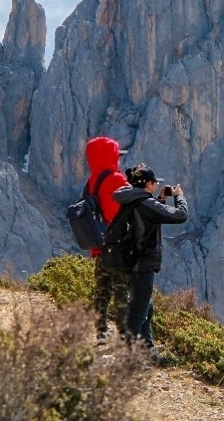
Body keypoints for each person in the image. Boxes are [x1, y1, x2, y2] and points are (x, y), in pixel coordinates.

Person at [113, 163, 188, 349]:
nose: (157, 184)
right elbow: (180, 216)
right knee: (138, 313)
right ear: (148, 184)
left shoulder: (131, 199)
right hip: (141, 265)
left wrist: (161, 199)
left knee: (146, 307)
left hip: (127, 262)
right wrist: (179, 196)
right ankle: (126, 356)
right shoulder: (146, 203)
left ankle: (148, 350)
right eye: (155, 182)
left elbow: (146, 220)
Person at [84, 136, 131, 341]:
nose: (118, 159)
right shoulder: (116, 179)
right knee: (122, 288)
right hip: (118, 244)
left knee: (102, 289)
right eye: (116, 155)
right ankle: (125, 332)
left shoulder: (91, 181)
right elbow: (130, 204)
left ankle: (101, 330)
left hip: (100, 244)